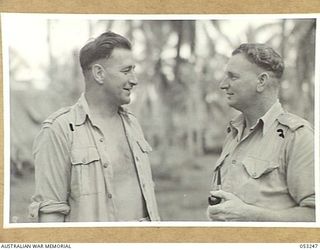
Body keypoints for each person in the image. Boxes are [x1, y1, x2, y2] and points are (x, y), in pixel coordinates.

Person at [29, 31, 160, 222]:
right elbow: (50, 216)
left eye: (134, 70)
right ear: (99, 73)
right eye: (126, 71)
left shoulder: (133, 124)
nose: (134, 80)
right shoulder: (60, 130)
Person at [207, 43, 315, 222]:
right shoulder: (233, 133)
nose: (222, 84)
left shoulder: (297, 137)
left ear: (261, 81)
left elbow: (314, 216)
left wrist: (250, 215)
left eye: (232, 77)